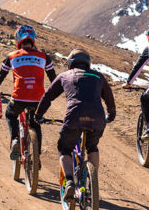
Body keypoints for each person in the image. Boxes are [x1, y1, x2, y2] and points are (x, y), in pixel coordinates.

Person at [34, 48, 116, 202]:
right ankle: (92, 181)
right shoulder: (99, 76)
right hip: (97, 119)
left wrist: (38, 115)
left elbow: (48, 97)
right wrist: (111, 115)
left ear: (70, 62)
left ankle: (70, 181)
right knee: (92, 147)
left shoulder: (64, 75)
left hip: (74, 118)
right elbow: (109, 98)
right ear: (88, 62)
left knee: (64, 149)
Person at [0, 24, 56, 161]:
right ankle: (36, 158)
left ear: (18, 40)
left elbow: (0, 76)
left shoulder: (11, 56)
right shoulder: (44, 57)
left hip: (19, 98)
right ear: (33, 39)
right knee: (35, 122)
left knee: (10, 114)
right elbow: (54, 80)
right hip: (38, 99)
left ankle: (15, 139)